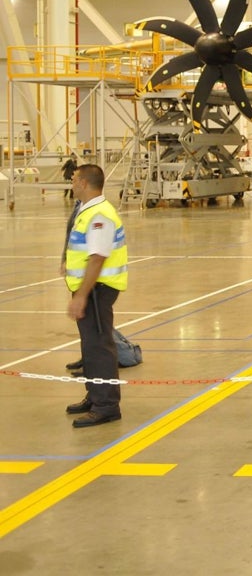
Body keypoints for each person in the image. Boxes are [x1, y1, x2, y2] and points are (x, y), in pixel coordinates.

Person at [62, 163, 126, 428]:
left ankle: (107, 406)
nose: (72, 183)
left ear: (85, 183)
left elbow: (98, 258)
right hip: (89, 288)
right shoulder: (88, 210)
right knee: (90, 345)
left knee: (99, 346)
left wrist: (81, 296)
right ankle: (95, 394)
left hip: (97, 289)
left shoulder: (100, 214)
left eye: (75, 179)